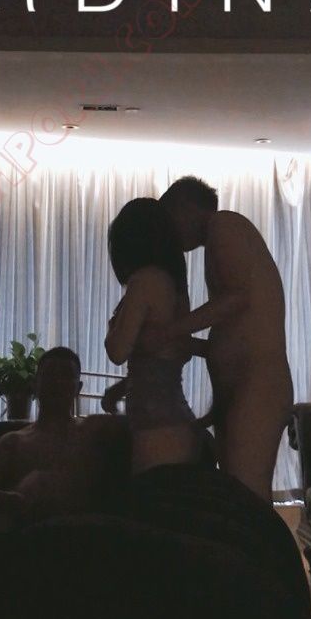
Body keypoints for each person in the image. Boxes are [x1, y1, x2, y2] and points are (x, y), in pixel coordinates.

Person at [149, 177, 293, 505]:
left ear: (184, 208)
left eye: (168, 222)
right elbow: (236, 334)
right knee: (236, 496)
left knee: (247, 496)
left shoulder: (224, 225)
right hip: (244, 386)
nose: (168, 236)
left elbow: (236, 298)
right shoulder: (219, 237)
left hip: (258, 385)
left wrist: (170, 331)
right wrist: (187, 345)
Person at [0, 347, 128, 530]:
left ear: (78, 387)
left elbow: (141, 422)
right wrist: (4, 498)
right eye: (50, 374)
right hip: (21, 526)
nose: (57, 381)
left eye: (66, 375)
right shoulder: (14, 441)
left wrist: (120, 389)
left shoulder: (93, 429)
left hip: (78, 527)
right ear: (35, 384)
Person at [105, 197, 204, 475]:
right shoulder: (173, 285)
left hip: (156, 426)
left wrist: (113, 326)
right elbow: (167, 355)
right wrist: (123, 387)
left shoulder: (144, 281)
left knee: (153, 496)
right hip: (173, 421)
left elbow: (117, 351)